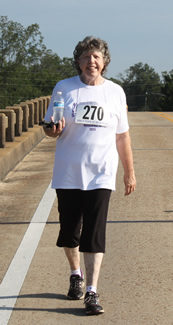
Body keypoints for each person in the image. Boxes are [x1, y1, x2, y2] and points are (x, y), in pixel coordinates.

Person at [43, 36, 136, 316]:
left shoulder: (115, 93)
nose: (91, 62)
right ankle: (75, 274)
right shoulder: (64, 88)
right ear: (78, 62)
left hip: (101, 173)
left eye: (96, 57)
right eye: (85, 57)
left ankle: (92, 292)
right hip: (68, 172)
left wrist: (129, 172)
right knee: (70, 233)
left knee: (94, 233)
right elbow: (49, 127)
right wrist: (52, 130)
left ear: (104, 62)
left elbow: (122, 136)